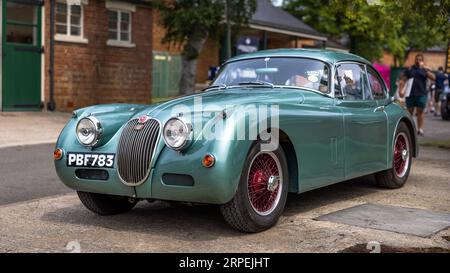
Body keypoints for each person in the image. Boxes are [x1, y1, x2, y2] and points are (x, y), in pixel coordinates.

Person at [403, 54, 436, 136]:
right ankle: (409, 129)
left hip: (421, 94)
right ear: (415, 60)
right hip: (410, 94)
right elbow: (403, 79)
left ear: (422, 61)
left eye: (420, 60)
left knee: (420, 113)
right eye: (417, 59)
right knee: (409, 112)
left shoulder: (424, 70)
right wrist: (401, 89)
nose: (418, 61)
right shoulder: (410, 69)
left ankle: (420, 129)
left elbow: (433, 78)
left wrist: (425, 69)